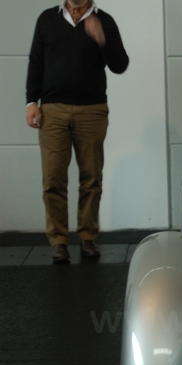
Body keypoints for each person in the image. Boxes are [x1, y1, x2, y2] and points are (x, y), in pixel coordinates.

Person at [25, 0, 129, 263]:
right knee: (53, 180)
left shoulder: (104, 21)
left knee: (91, 177)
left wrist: (102, 39)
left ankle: (87, 237)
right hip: (52, 110)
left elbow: (120, 65)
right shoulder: (47, 19)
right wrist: (31, 102)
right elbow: (36, 61)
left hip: (92, 110)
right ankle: (58, 241)